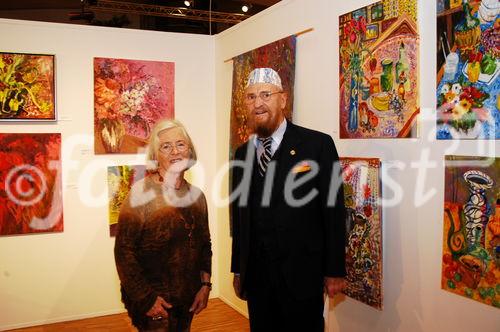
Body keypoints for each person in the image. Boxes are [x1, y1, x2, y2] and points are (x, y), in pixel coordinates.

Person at [230, 68, 346, 331]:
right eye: (250, 97)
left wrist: (335, 269)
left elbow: (334, 211)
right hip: (258, 278)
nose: (257, 103)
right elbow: (239, 217)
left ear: (282, 100)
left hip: (302, 275)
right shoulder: (241, 154)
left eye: (265, 95)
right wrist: (239, 269)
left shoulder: (317, 145)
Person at [115, 119, 212, 332]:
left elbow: (205, 245)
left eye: (180, 144)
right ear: (155, 156)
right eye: (166, 146)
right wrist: (146, 299)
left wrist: (205, 286)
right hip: (154, 302)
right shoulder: (140, 194)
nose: (175, 152)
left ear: (190, 150)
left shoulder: (197, 197)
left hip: (188, 299)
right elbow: (124, 252)